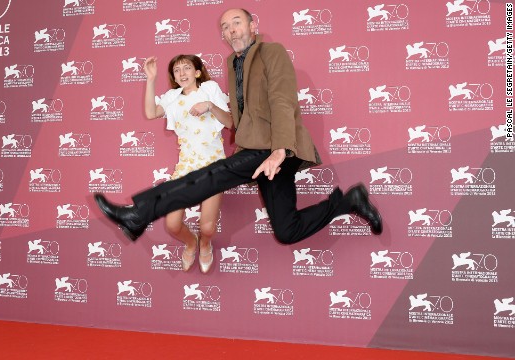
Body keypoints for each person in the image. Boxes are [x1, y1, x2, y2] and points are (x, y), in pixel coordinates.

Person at [94, 8, 382, 249]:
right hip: (257, 151)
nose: (231, 30)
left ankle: (138, 213)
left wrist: (279, 150)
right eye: (225, 27)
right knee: (286, 230)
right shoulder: (233, 63)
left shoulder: (272, 52)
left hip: (273, 147)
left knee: (210, 177)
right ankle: (349, 201)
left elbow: (283, 101)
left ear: (252, 26)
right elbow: (239, 116)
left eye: (237, 23)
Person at [142, 54, 232, 273]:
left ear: (197, 72)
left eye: (187, 68)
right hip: (185, 168)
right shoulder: (172, 96)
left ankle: (204, 243)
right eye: (177, 70)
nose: (182, 73)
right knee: (172, 224)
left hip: (213, 167)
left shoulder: (209, 89)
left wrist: (209, 106)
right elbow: (151, 112)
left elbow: (230, 122)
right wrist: (151, 79)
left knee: (207, 227)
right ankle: (191, 242)